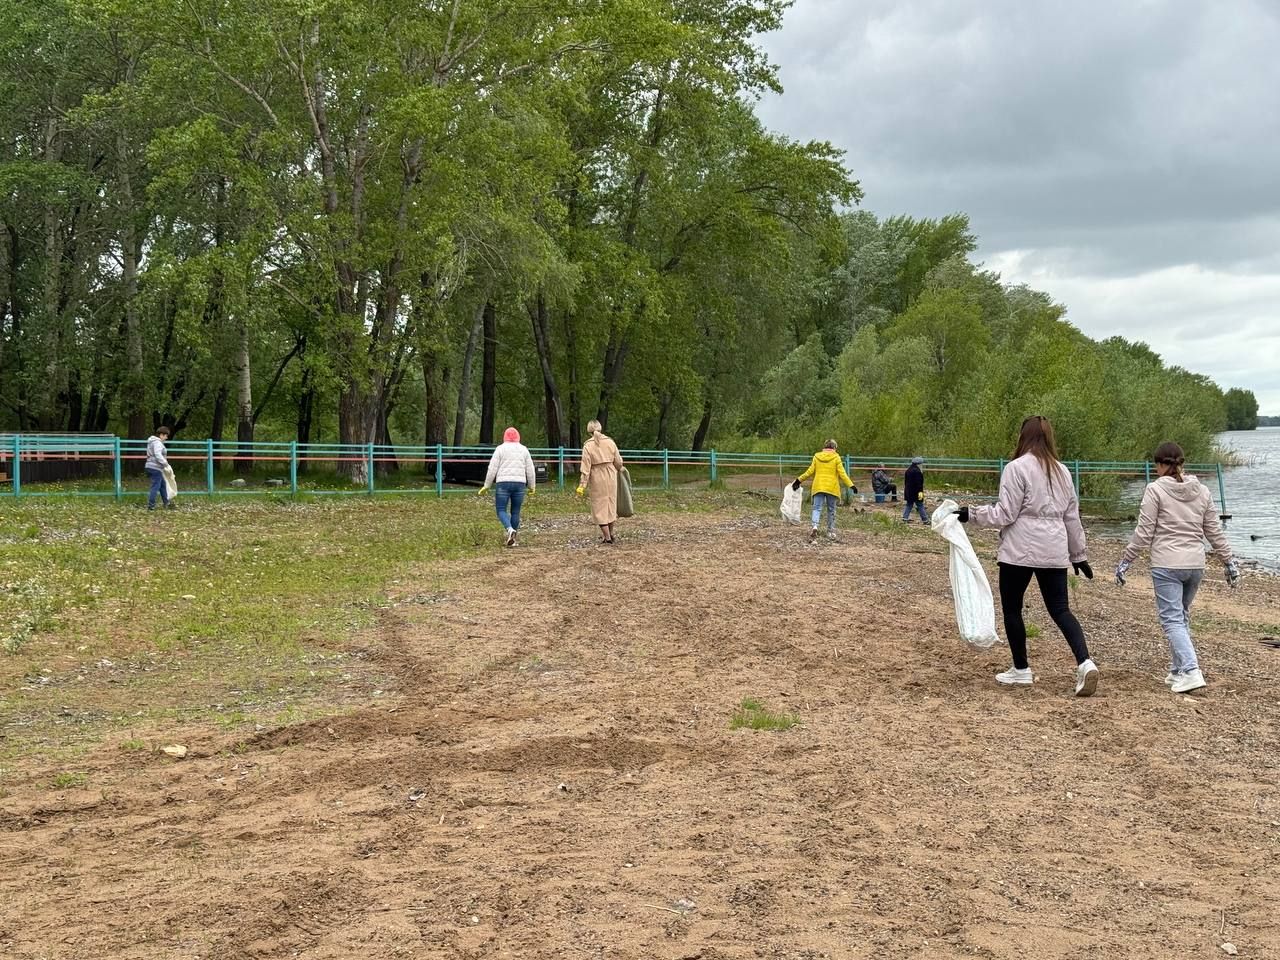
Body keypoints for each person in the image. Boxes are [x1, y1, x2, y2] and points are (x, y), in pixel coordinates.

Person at [957, 415, 1100, 697]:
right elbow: (1072, 516)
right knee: (1060, 610)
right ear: (1049, 437)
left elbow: (1005, 513)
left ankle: (1021, 669)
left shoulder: (1015, 468)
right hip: (1054, 550)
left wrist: (970, 514)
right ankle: (1085, 662)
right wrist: (1078, 554)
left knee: (1013, 609)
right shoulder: (1063, 472)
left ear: (1024, 436)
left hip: (1018, 551)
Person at [1115, 442, 1241, 694]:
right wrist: (1229, 561)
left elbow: (1144, 531)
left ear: (1160, 465)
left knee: (1171, 619)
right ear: (1183, 463)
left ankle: (1192, 671)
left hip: (1167, 564)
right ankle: (1177, 671)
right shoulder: (1202, 491)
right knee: (1181, 616)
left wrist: (1127, 559)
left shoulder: (1155, 490)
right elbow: (1213, 531)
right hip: (1195, 565)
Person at [480, 427, 536, 547]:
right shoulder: (524, 450)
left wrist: (487, 485)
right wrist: (532, 486)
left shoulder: (500, 449)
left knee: (501, 510)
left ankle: (510, 529)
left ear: (505, 437)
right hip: (520, 484)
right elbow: (530, 469)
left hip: (503, 483)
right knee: (515, 512)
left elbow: (492, 468)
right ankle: (513, 539)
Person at [794, 439, 854, 542]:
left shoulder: (817, 456)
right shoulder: (836, 457)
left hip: (819, 486)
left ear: (824, 447)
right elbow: (842, 473)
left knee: (817, 508)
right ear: (834, 448)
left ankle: (815, 527)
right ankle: (830, 531)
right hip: (832, 487)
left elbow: (810, 471)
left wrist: (798, 480)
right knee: (831, 509)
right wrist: (851, 485)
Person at [577, 419, 624, 544]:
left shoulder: (588, 445)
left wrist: (582, 485)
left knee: (599, 506)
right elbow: (618, 461)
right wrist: (618, 469)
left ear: (589, 431)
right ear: (600, 428)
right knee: (610, 504)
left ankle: (607, 537)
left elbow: (585, 468)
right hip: (611, 474)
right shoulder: (610, 442)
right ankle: (611, 533)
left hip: (597, 476)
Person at [145, 426, 174, 511]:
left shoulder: (152, 442)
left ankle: (166, 503)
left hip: (152, 466)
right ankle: (151, 506)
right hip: (155, 467)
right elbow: (158, 455)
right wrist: (165, 463)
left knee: (162, 485)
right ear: (161, 435)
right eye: (165, 435)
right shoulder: (157, 443)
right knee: (155, 486)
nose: (166, 438)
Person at [902, 456, 928, 523]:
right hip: (917, 492)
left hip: (908, 491)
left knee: (909, 504)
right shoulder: (917, 472)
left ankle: (905, 518)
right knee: (920, 505)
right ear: (919, 464)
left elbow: (906, 482)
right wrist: (921, 494)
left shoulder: (908, 470)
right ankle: (925, 519)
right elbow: (919, 484)